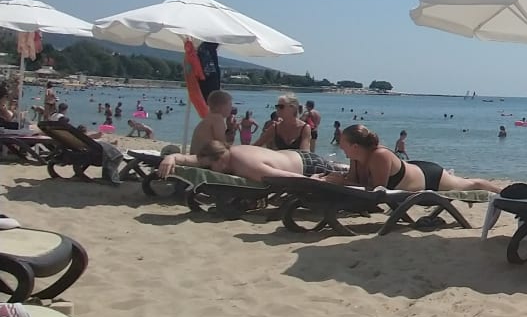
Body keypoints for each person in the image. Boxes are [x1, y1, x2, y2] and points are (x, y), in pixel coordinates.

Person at [320, 124, 508, 194]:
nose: (340, 146)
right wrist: (337, 179)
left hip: (428, 177)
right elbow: (355, 182)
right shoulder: (355, 157)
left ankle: (503, 192)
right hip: (412, 169)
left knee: (471, 184)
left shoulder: (379, 155)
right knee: (465, 182)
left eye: (343, 144)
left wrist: (343, 183)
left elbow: (377, 191)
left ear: (355, 146)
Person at [157, 140, 342, 181]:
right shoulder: (223, 153)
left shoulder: (246, 164)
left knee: (343, 173)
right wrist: (170, 157)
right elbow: (190, 159)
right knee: (338, 167)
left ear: (219, 160)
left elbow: (283, 176)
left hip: (308, 166)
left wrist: (311, 180)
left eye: (209, 167)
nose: (208, 169)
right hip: (292, 156)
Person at [189, 90, 234, 154]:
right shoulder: (217, 118)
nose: (231, 108)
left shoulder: (209, 118)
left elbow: (221, 143)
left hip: (199, 155)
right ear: (220, 107)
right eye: (230, 105)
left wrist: (230, 128)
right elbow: (222, 143)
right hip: (203, 157)